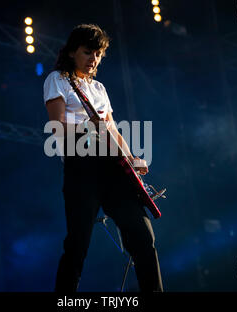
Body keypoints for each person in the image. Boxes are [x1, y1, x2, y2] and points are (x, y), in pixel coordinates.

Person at [43, 23, 163, 292]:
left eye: (98, 54)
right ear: (73, 52)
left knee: (144, 238)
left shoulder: (98, 88)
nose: (93, 59)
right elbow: (57, 127)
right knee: (77, 245)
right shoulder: (57, 80)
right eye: (88, 52)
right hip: (82, 169)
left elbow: (112, 129)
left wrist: (132, 159)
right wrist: (89, 128)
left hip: (113, 169)